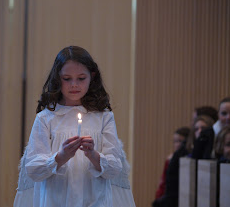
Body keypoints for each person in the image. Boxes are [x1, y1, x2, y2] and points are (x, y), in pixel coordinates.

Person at [13, 46, 136, 207]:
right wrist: (61, 157)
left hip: (95, 200)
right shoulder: (46, 118)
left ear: (92, 77)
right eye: (67, 78)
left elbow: (114, 169)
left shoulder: (103, 116)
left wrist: (93, 154)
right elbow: (34, 169)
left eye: (81, 78)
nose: (74, 85)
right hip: (55, 201)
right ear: (58, 78)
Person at [152, 127, 190, 207]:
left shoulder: (188, 160)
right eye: (175, 141)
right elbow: (163, 181)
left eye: (180, 141)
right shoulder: (169, 159)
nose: (177, 144)